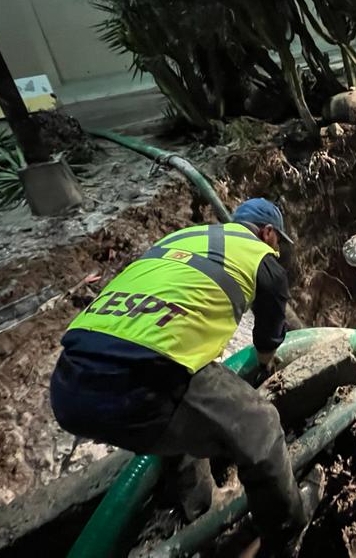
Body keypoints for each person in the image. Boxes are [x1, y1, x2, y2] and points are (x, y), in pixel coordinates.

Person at [49, 198, 319, 556]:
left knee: (186, 415)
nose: (277, 248)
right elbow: (267, 340)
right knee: (260, 424)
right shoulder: (261, 260)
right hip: (142, 382)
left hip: (68, 386)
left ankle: (198, 509)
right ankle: (288, 530)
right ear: (268, 232)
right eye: (277, 240)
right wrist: (267, 363)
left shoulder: (183, 238)